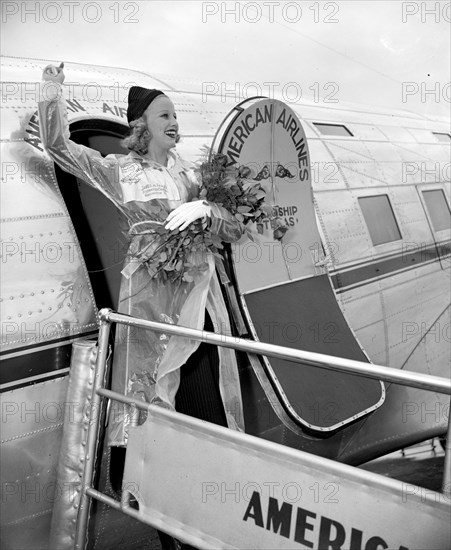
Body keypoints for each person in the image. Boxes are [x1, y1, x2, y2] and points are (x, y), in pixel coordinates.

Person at [38, 65, 244, 445]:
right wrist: (52, 91)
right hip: (148, 286)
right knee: (141, 378)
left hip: (197, 292)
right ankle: (141, 466)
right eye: (164, 115)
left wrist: (208, 209)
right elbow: (59, 149)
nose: (174, 122)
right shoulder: (120, 171)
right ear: (141, 125)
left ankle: (197, 453)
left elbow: (235, 228)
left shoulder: (194, 177)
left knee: (198, 371)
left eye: (176, 115)